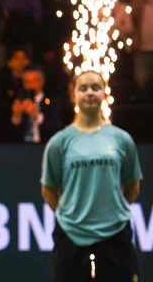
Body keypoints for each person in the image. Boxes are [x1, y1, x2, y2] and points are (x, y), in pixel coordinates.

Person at [41, 70, 142, 281]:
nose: (89, 93)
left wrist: (112, 210)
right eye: (83, 88)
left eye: (95, 88)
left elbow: (132, 186)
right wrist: (70, 214)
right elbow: (48, 190)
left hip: (115, 231)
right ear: (73, 94)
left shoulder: (122, 139)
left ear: (104, 93)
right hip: (71, 231)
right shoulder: (59, 142)